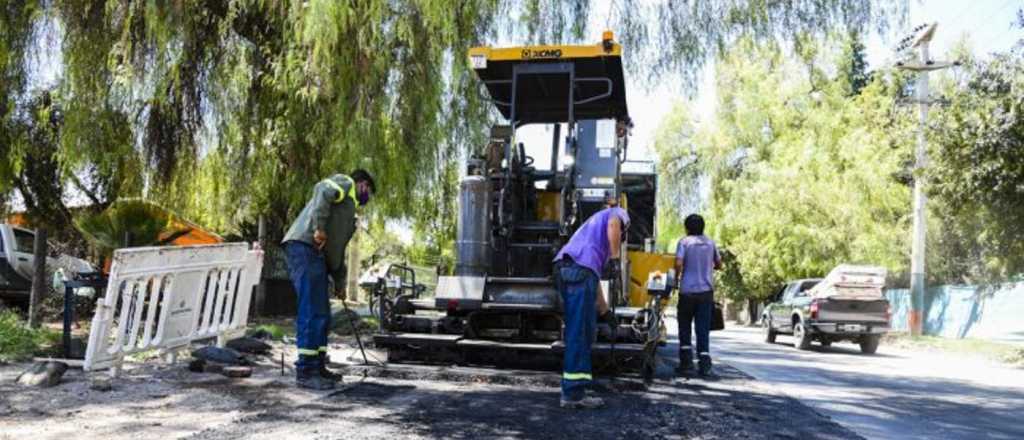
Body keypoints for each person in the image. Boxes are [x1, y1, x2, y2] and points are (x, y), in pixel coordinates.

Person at [282, 169, 375, 390]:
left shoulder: (347, 215)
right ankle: (305, 371)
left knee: (322, 313)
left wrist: (340, 284)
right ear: (362, 184)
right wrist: (319, 228)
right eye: (369, 192)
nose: (367, 199)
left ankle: (318, 366)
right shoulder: (346, 184)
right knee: (311, 310)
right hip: (304, 247)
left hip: (318, 256)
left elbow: (336, 252)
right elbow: (322, 189)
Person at [552, 204, 629, 409]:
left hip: (567, 270)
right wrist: (615, 259)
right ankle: (573, 394)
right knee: (579, 333)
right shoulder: (616, 214)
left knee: (581, 330)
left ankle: (575, 389)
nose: (620, 234)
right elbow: (614, 222)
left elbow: (592, 281)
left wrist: (605, 312)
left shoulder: (590, 236)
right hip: (578, 272)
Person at [674, 214, 722, 377]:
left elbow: (679, 263)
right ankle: (705, 365)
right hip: (706, 293)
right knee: (702, 329)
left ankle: (686, 363)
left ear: (687, 228)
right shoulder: (711, 243)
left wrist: (676, 278)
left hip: (687, 291)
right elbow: (719, 264)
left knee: (684, 327)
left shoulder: (684, 242)